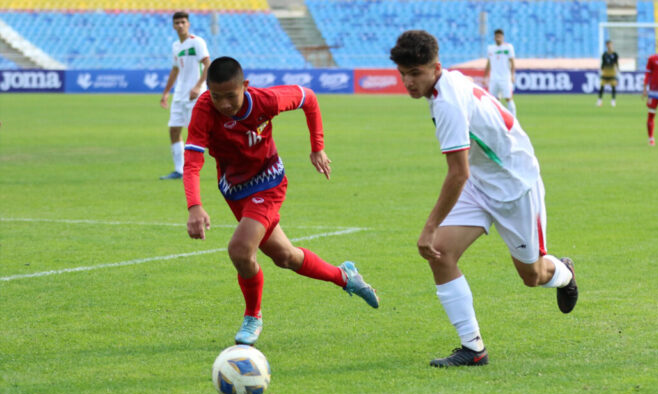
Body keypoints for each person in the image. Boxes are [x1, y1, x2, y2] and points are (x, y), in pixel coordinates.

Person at [390, 30, 578, 368]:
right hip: (481, 181)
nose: (408, 82)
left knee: (532, 276)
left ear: (436, 67)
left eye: (415, 73)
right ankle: (473, 348)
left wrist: (429, 226)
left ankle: (564, 272)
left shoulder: (446, 102)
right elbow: (465, 171)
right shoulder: (447, 84)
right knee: (440, 253)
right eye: (403, 73)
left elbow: (457, 173)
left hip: (515, 186)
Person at [183, 57, 379, 345]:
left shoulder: (266, 100)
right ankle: (345, 276)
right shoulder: (204, 109)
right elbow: (192, 162)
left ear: (245, 87)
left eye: (230, 96)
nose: (223, 104)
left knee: (240, 249)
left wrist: (317, 148)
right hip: (235, 190)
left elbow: (309, 99)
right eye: (216, 96)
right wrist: (195, 205)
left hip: (269, 182)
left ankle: (253, 316)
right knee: (285, 257)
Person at [159, 11, 211, 179]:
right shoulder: (176, 46)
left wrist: (197, 87)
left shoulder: (197, 42)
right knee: (174, 130)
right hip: (179, 95)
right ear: (173, 26)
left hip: (194, 95)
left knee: (196, 133)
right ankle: (179, 170)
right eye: (177, 23)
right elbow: (175, 69)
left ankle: (225, 159)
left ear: (188, 24)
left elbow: (208, 63)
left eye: (183, 22)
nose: (180, 25)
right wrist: (166, 92)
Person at [484, 29, 517, 116]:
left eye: (500, 36)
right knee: (494, 100)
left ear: (503, 37)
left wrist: (512, 75)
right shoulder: (490, 48)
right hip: (494, 78)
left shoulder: (508, 47)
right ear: (494, 37)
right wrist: (485, 76)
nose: (498, 38)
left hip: (505, 78)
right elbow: (489, 63)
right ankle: (497, 118)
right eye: (496, 36)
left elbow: (512, 62)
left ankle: (513, 118)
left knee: (508, 98)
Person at [597, 40, 619, 107]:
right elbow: (602, 64)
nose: (609, 45)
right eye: (608, 44)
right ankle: (600, 101)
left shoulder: (615, 54)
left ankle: (613, 101)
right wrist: (601, 71)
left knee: (613, 87)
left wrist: (618, 71)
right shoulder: (604, 54)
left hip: (612, 72)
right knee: (602, 87)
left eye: (610, 44)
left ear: (612, 45)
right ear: (606, 45)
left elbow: (616, 63)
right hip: (605, 72)